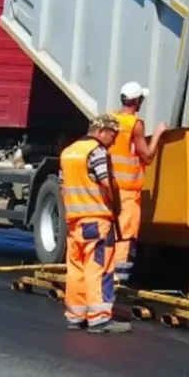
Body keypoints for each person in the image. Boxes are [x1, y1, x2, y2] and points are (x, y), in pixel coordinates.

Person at [60, 113, 131, 334]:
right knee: (98, 268)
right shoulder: (97, 151)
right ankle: (99, 318)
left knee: (76, 268)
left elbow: (63, 185)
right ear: (101, 132)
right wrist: (114, 204)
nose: (114, 140)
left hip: (74, 221)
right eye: (113, 135)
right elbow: (105, 182)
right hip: (97, 220)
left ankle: (76, 315)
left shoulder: (68, 152)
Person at [109, 82, 167, 284]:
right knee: (125, 236)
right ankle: (117, 282)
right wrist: (158, 133)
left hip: (108, 188)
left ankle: (104, 274)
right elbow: (148, 156)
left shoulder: (110, 120)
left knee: (108, 232)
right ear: (136, 101)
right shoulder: (135, 124)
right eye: (141, 99)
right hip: (127, 191)